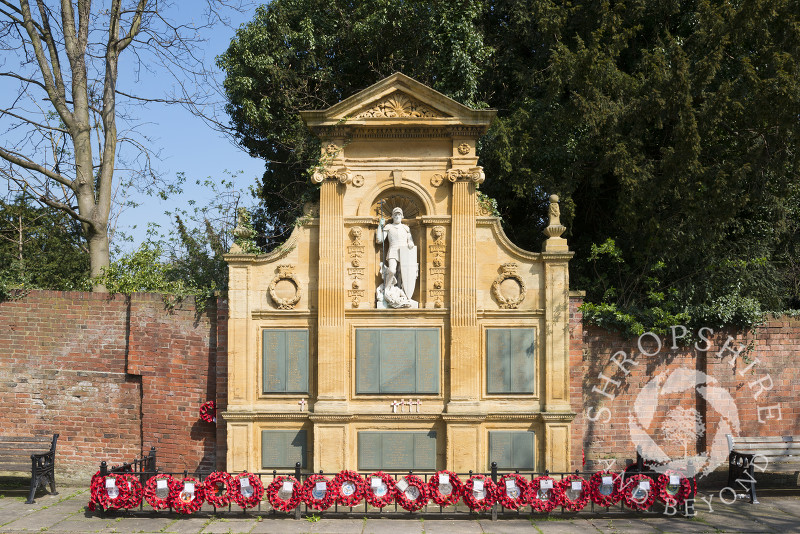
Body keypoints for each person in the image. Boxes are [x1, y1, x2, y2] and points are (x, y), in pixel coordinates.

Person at [375, 207, 415, 295]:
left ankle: (402, 291)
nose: (397, 216)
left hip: (404, 252)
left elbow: (410, 240)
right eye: (395, 214)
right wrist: (379, 226)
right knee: (392, 270)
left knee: (403, 273)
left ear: (402, 216)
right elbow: (379, 240)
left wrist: (410, 243)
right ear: (392, 216)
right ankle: (387, 288)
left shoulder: (406, 228)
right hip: (393, 250)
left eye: (399, 214)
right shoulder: (388, 227)